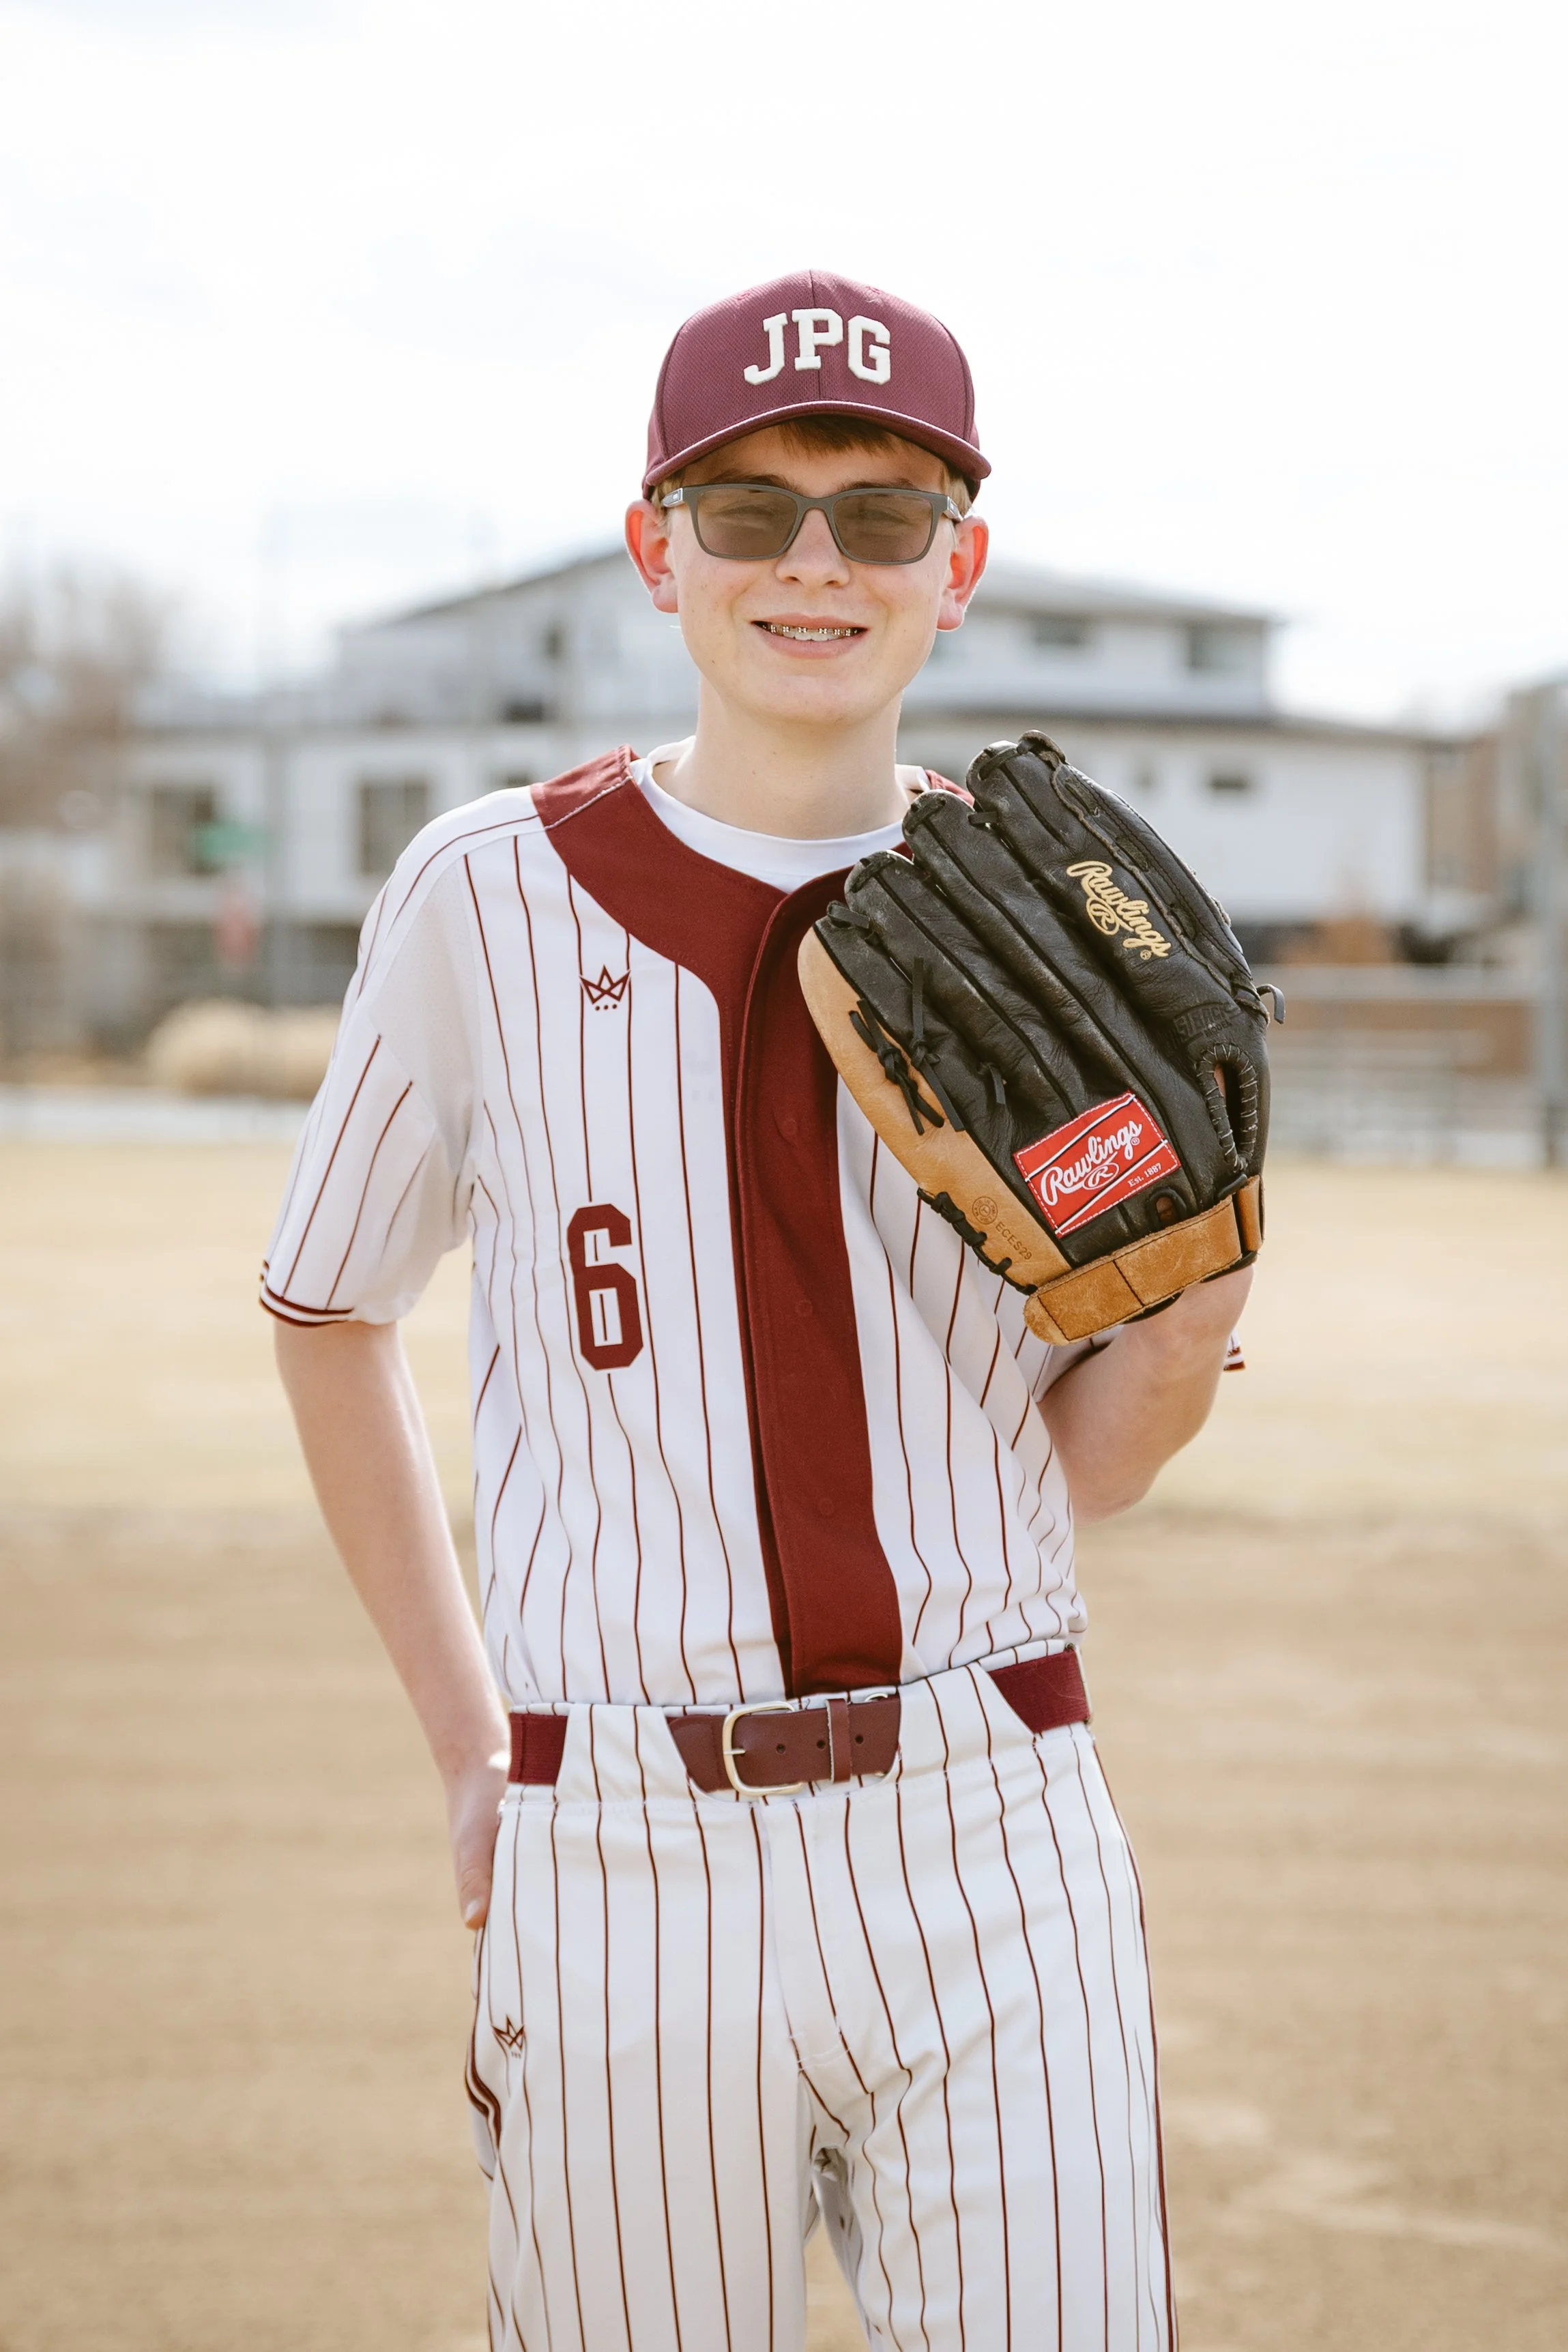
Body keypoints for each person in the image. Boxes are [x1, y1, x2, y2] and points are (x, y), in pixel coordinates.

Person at [266, 268, 1251, 2352]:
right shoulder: (484, 899)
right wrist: (472, 1747)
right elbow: (327, 1308)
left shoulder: (1062, 941)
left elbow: (1074, 1464)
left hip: (991, 1815)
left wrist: (1175, 1348)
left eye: (883, 516)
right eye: (750, 508)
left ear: (958, 566)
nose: (817, 560)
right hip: (619, 1837)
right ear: (658, 552)